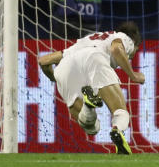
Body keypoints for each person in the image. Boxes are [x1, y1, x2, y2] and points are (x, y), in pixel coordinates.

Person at [37, 21, 145, 154]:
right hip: (95, 58)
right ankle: (117, 129)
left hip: (64, 66)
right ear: (135, 42)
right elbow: (116, 49)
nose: (133, 54)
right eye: (136, 49)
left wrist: (54, 78)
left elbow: (43, 61)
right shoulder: (125, 38)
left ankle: (89, 106)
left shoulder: (87, 39)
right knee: (120, 111)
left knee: (92, 128)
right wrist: (133, 76)